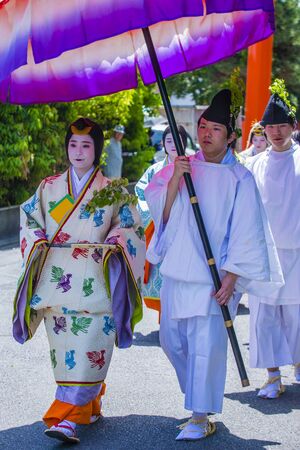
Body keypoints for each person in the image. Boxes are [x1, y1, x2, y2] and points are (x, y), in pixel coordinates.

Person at [144, 89, 283, 441]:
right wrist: (176, 177)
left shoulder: (240, 178)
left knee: (206, 344)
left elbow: (247, 230)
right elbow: (159, 208)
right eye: (203, 126)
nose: (206, 133)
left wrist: (232, 276)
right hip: (178, 270)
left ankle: (200, 414)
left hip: (214, 275)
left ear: (231, 136)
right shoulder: (184, 167)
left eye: (215, 129)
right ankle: (197, 396)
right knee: (171, 341)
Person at [13, 118, 145, 444]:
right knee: (65, 349)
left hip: (96, 283)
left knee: (90, 345)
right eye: (73, 145)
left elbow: (130, 227)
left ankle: (65, 417)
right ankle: (89, 402)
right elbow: (29, 217)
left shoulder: (112, 190)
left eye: (86, 145)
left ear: (97, 149)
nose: (78, 151)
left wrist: (116, 241)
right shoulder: (48, 187)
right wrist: (39, 237)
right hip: (57, 282)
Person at [246, 80, 300, 399]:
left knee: (296, 313)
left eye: (282, 125)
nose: (277, 132)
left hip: (297, 250)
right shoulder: (253, 164)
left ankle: (298, 364)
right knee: (264, 315)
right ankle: (271, 375)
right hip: (264, 253)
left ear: (293, 126)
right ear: (263, 130)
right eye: (271, 126)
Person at [135, 125, 188, 317]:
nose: (173, 145)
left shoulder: (194, 168)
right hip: (161, 232)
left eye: (178, 140)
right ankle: (166, 322)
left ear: (185, 142)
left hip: (185, 233)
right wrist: (157, 216)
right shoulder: (154, 170)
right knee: (163, 280)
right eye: (169, 141)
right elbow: (141, 196)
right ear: (163, 144)